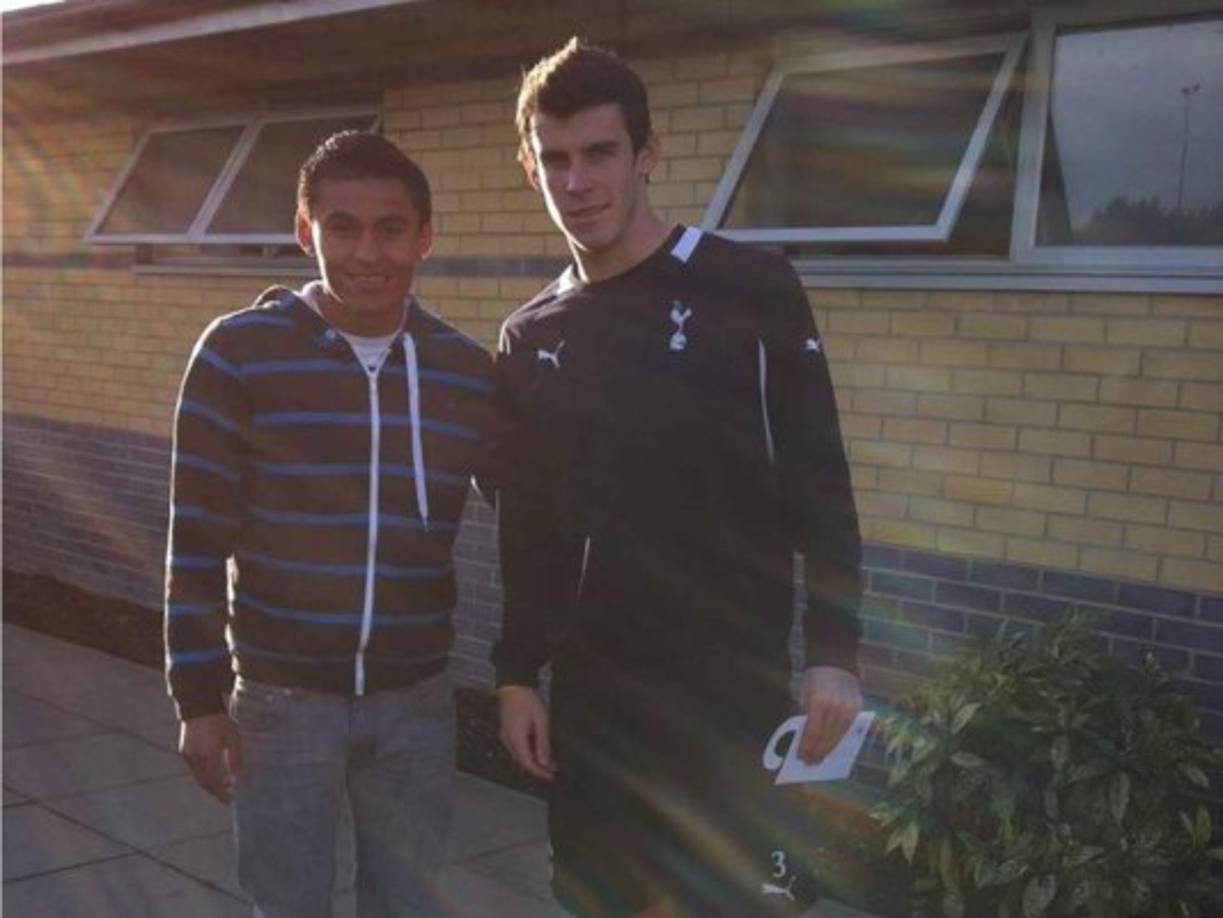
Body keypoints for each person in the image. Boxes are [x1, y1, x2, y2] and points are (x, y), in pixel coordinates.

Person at [492, 38, 865, 917]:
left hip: (725, 700)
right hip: (594, 704)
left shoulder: (751, 287)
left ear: (647, 154)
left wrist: (834, 654)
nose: (576, 182)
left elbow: (819, 479)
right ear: (528, 166)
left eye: (599, 154)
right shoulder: (529, 335)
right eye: (554, 160)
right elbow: (530, 528)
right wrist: (515, 673)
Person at [164, 130, 493, 918]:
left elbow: (543, 504)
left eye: (390, 228)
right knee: (287, 905)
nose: (367, 252)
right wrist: (197, 698)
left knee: (408, 904)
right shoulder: (237, 354)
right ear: (305, 229)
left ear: (425, 236)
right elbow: (196, 535)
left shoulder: (463, 370)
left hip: (415, 702)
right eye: (341, 226)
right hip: (281, 703)